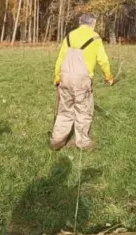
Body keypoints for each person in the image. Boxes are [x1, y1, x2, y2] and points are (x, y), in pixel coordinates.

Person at [49, 13, 114, 151]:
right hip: (82, 80)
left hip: (65, 78)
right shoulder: (95, 38)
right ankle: (82, 142)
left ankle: (57, 140)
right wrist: (108, 76)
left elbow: (60, 59)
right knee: (83, 111)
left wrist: (57, 77)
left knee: (65, 111)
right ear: (92, 23)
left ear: (80, 23)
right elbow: (103, 60)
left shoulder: (69, 36)